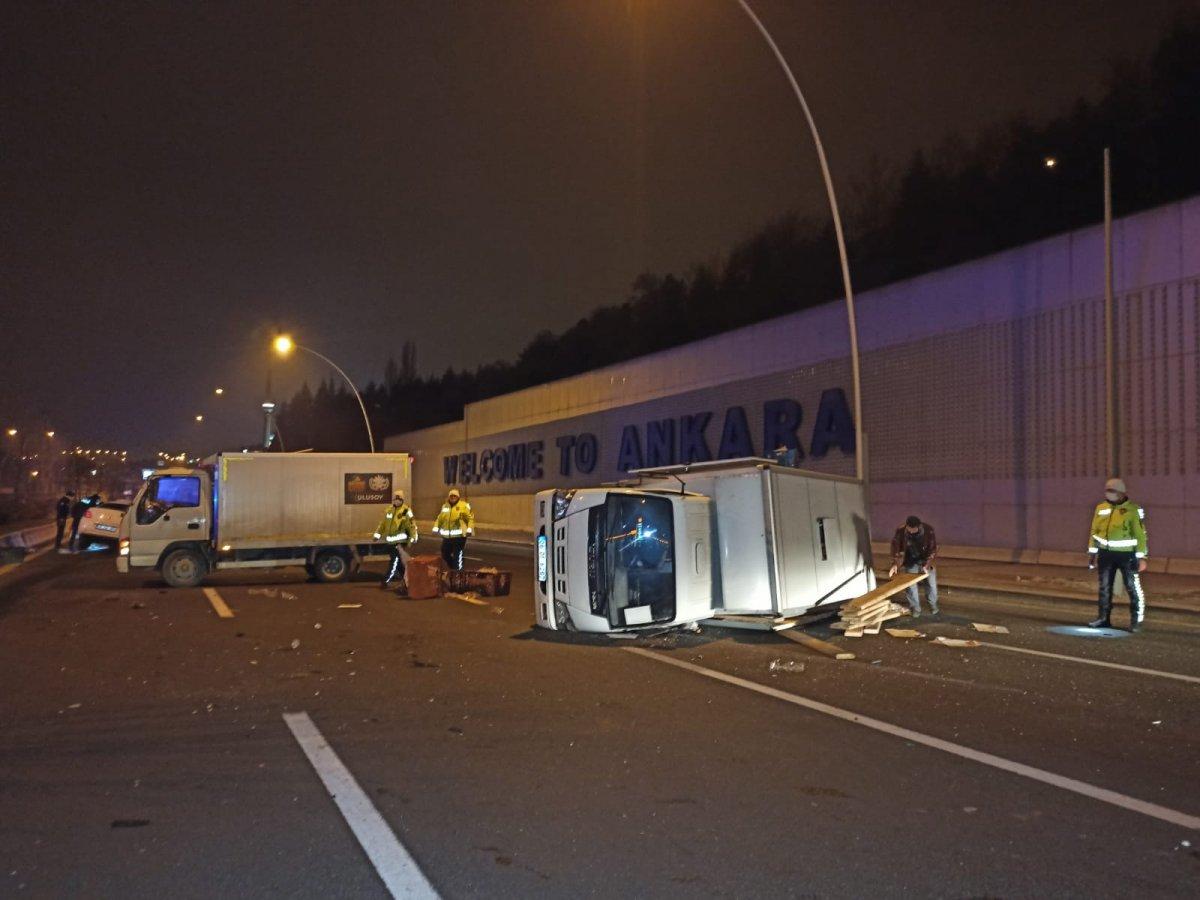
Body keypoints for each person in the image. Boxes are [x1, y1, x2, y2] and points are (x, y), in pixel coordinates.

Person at [1086, 477, 1148, 632]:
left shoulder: (1132, 510)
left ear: (1122, 493)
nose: (1109, 493)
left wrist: (1142, 557)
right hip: (1106, 555)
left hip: (1127, 556)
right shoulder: (1100, 508)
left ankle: (1136, 621)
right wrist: (1092, 553)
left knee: (1132, 588)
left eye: (1112, 491)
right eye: (1107, 490)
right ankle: (1103, 618)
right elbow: (1094, 532)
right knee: (1104, 588)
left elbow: (1140, 535)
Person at [888, 515, 939, 617]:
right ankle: (915, 608)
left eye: (913, 530)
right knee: (911, 586)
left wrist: (927, 564)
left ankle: (933, 605)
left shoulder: (928, 531)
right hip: (910, 561)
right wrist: (895, 564)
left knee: (931, 584)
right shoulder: (901, 531)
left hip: (926, 559)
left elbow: (933, 549)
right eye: (909, 529)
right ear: (906, 526)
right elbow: (896, 548)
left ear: (919, 526)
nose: (911, 532)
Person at [373, 491, 418, 590]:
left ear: (402, 500)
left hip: (400, 542)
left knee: (394, 561)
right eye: (395, 499)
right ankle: (408, 581)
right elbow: (383, 524)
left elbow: (411, 525)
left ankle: (385, 581)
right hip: (391, 542)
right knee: (398, 564)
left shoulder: (406, 511)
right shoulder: (389, 510)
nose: (397, 501)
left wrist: (412, 538)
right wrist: (377, 535)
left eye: (399, 499)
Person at [432, 488, 473, 571]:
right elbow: (440, 518)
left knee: (457, 556)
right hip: (447, 537)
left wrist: (469, 529)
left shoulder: (463, 506)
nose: (453, 497)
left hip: (459, 537)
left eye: (455, 496)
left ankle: (458, 573)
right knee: (445, 554)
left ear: (458, 497)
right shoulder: (445, 506)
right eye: (451, 496)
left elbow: (470, 518)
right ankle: (452, 568)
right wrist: (436, 527)